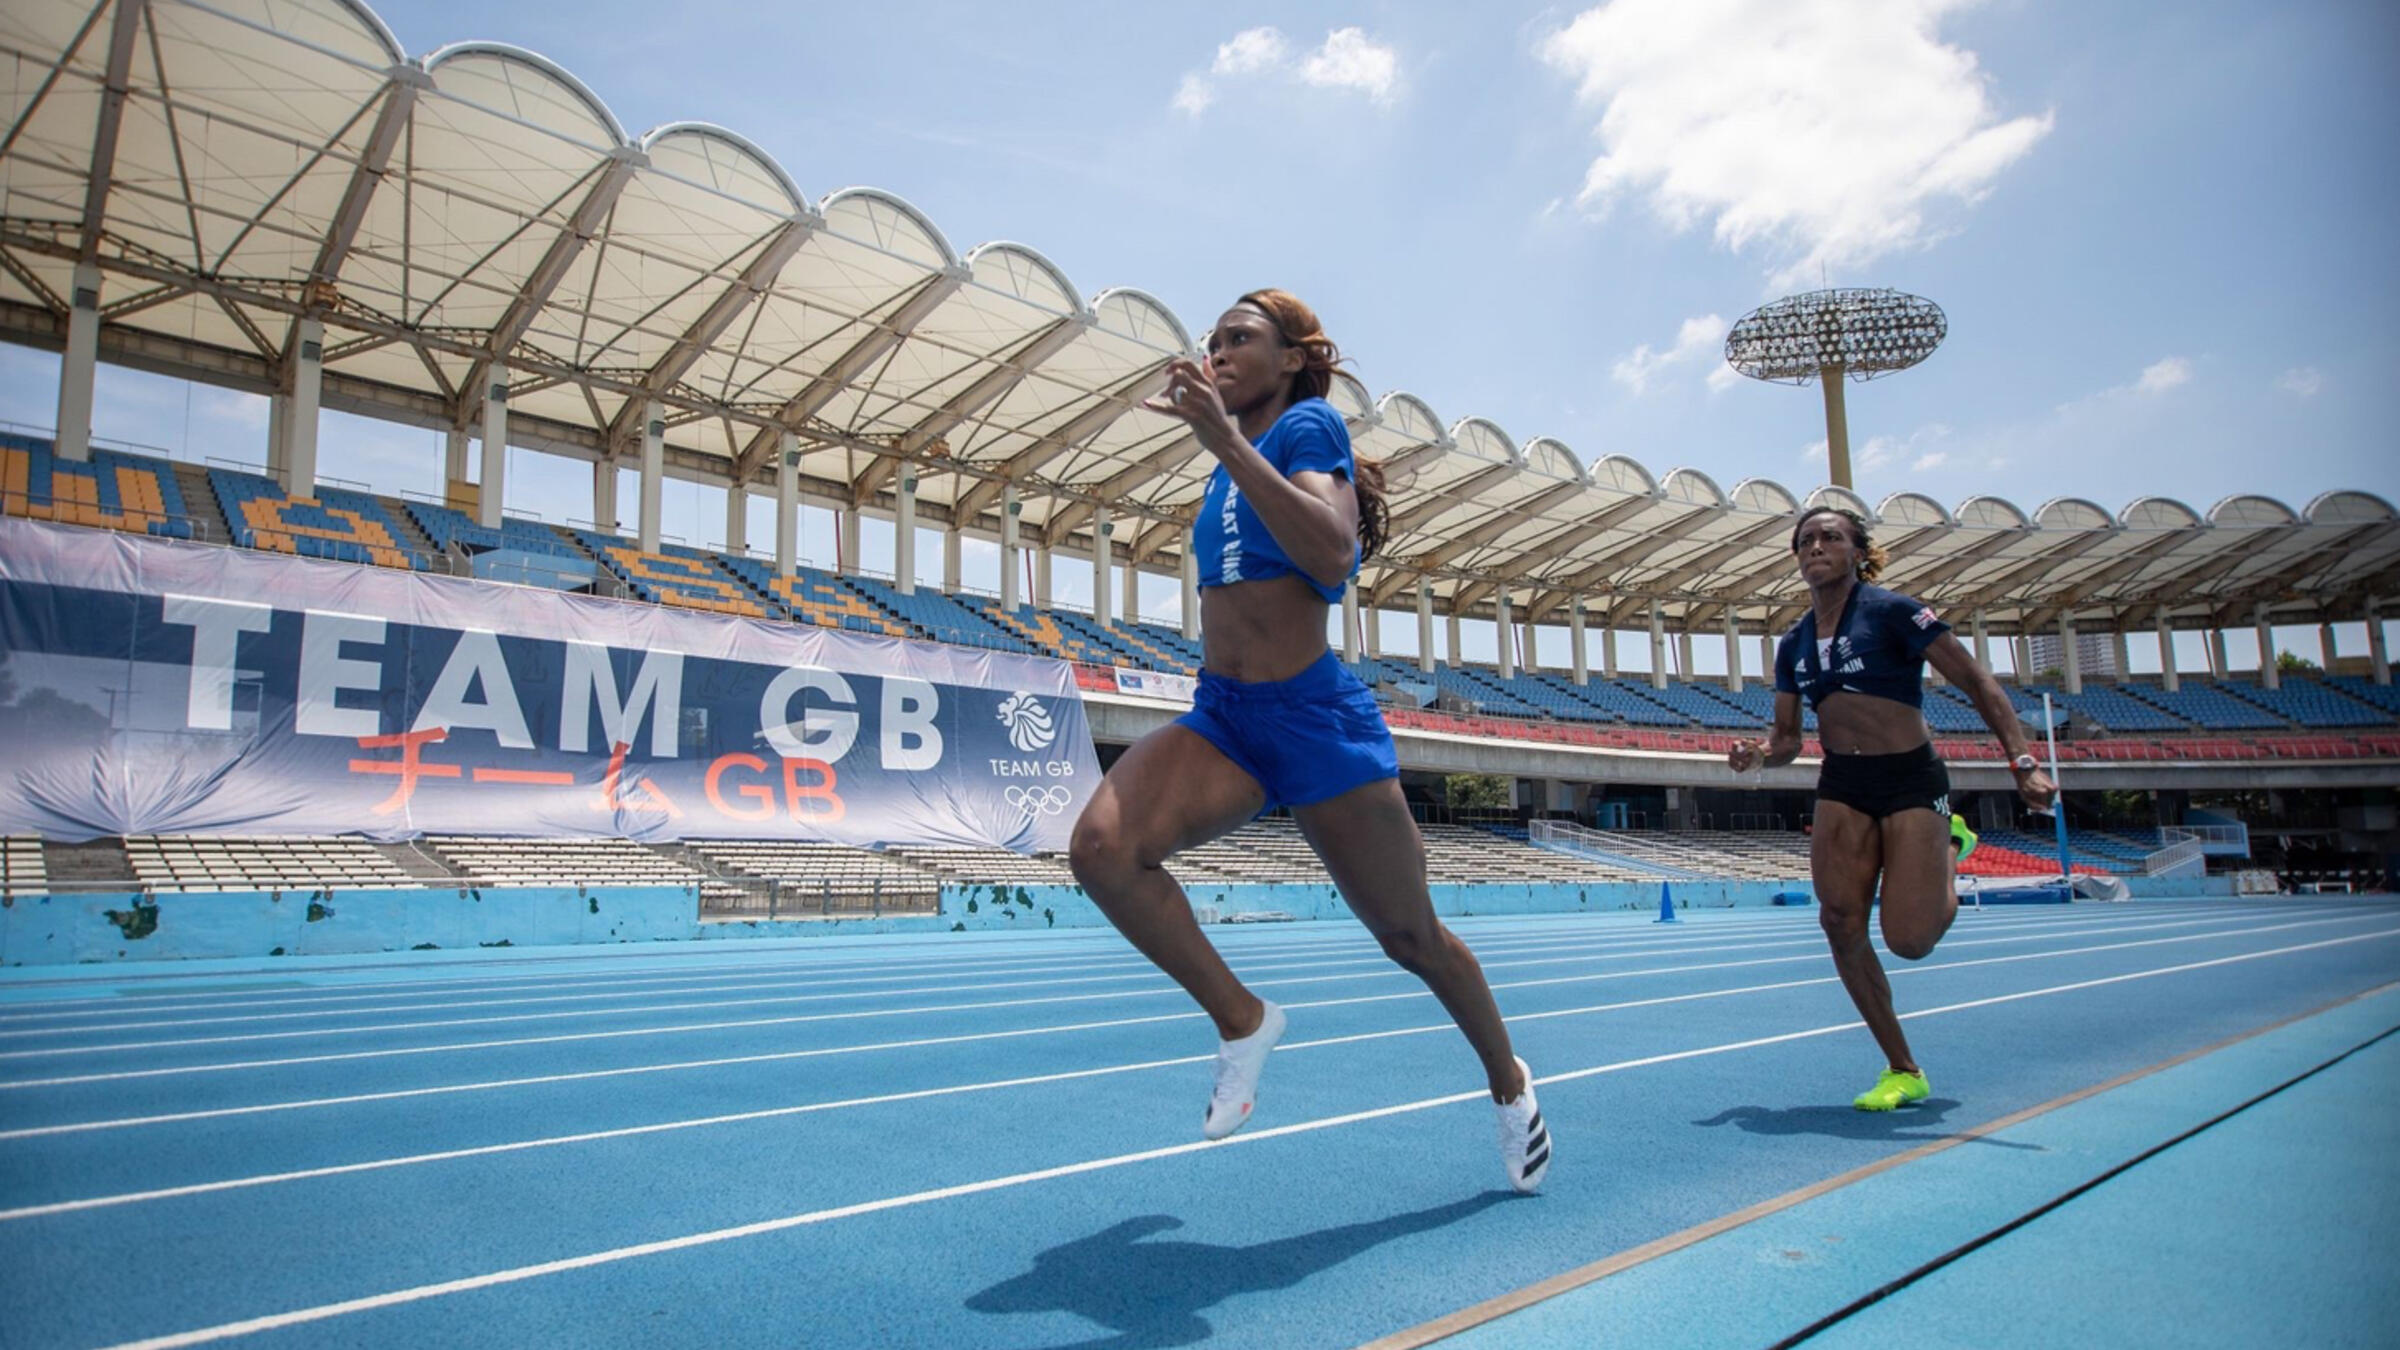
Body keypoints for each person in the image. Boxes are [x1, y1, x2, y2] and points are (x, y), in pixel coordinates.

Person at [1068, 290, 1550, 1193]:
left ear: (1292, 358)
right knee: (1101, 849)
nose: (1219, 350)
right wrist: (1225, 452)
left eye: (1240, 337)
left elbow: (1332, 556)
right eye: (1212, 340)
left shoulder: (1306, 427)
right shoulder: (1228, 467)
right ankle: (1243, 1020)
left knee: (1412, 938)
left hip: (1315, 719)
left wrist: (1226, 443)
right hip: (1226, 719)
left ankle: (1509, 1084)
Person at [1727, 507, 2055, 1111]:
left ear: (1858, 551)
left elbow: (1978, 682)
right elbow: (1789, 739)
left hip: (1909, 777)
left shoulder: (1895, 612)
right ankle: (1903, 1067)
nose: (1816, 546)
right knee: (1839, 922)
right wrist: (1758, 753)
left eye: (1831, 537)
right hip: (1844, 781)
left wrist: (2023, 762)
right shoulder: (1794, 642)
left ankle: (1951, 846)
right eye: (1806, 540)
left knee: (1909, 941)